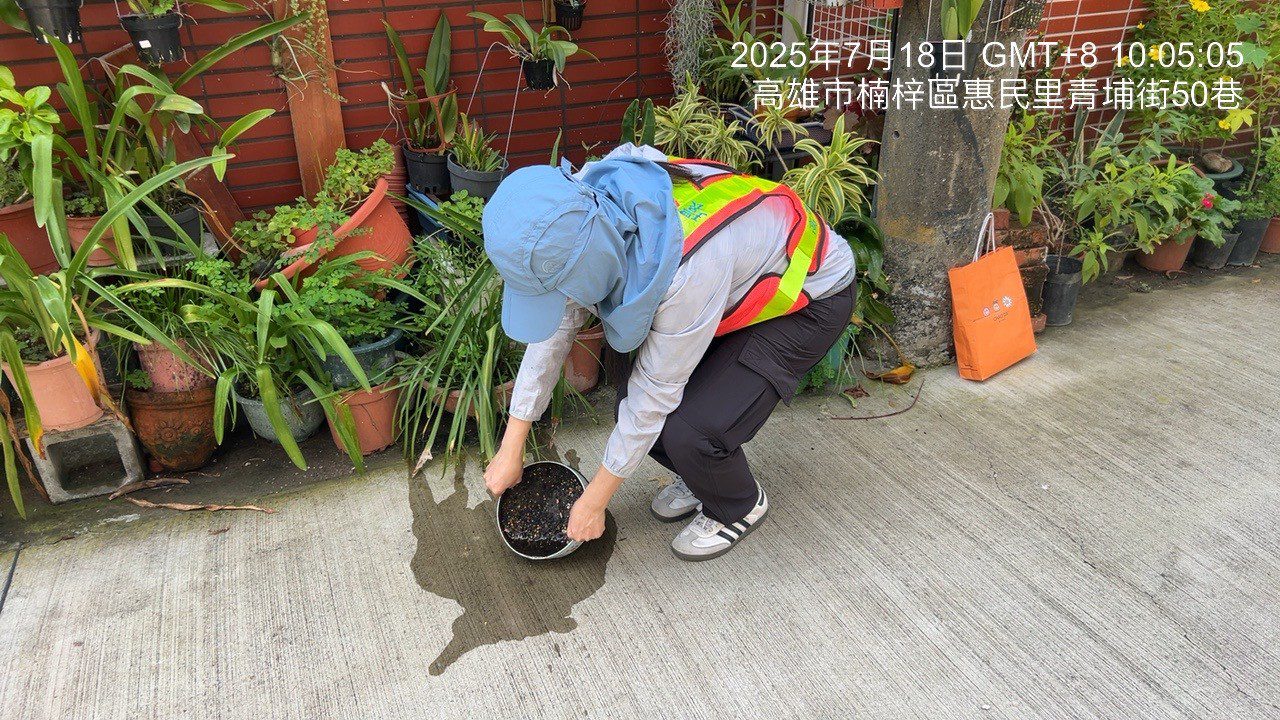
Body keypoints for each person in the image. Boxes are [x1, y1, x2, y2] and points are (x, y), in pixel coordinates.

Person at [481, 144, 855, 561]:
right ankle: (701, 477)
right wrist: (511, 447)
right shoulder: (579, 205)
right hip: (734, 289)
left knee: (687, 429)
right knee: (642, 414)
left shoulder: (685, 270)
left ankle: (737, 505)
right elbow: (555, 332)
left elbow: (655, 396)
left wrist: (593, 502)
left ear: (587, 266)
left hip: (806, 300)